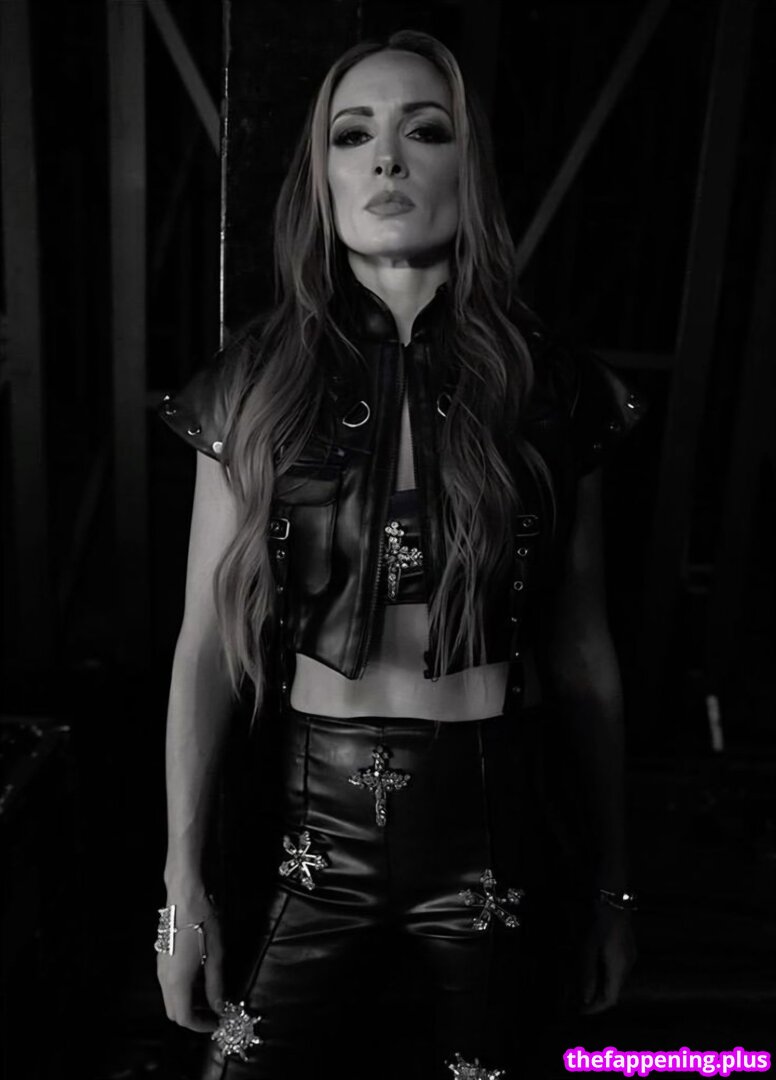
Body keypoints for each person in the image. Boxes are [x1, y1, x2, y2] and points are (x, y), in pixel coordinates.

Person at [155, 28, 641, 1080]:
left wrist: (612, 887)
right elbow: (203, 646)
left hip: (493, 827)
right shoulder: (252, 386)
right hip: (307, 828)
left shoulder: (553, 389)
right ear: (323, 176)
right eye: (353, 134)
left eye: (424, 130)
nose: (385, 159)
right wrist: (180, 892)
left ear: (469, 168)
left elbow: (583, 656)